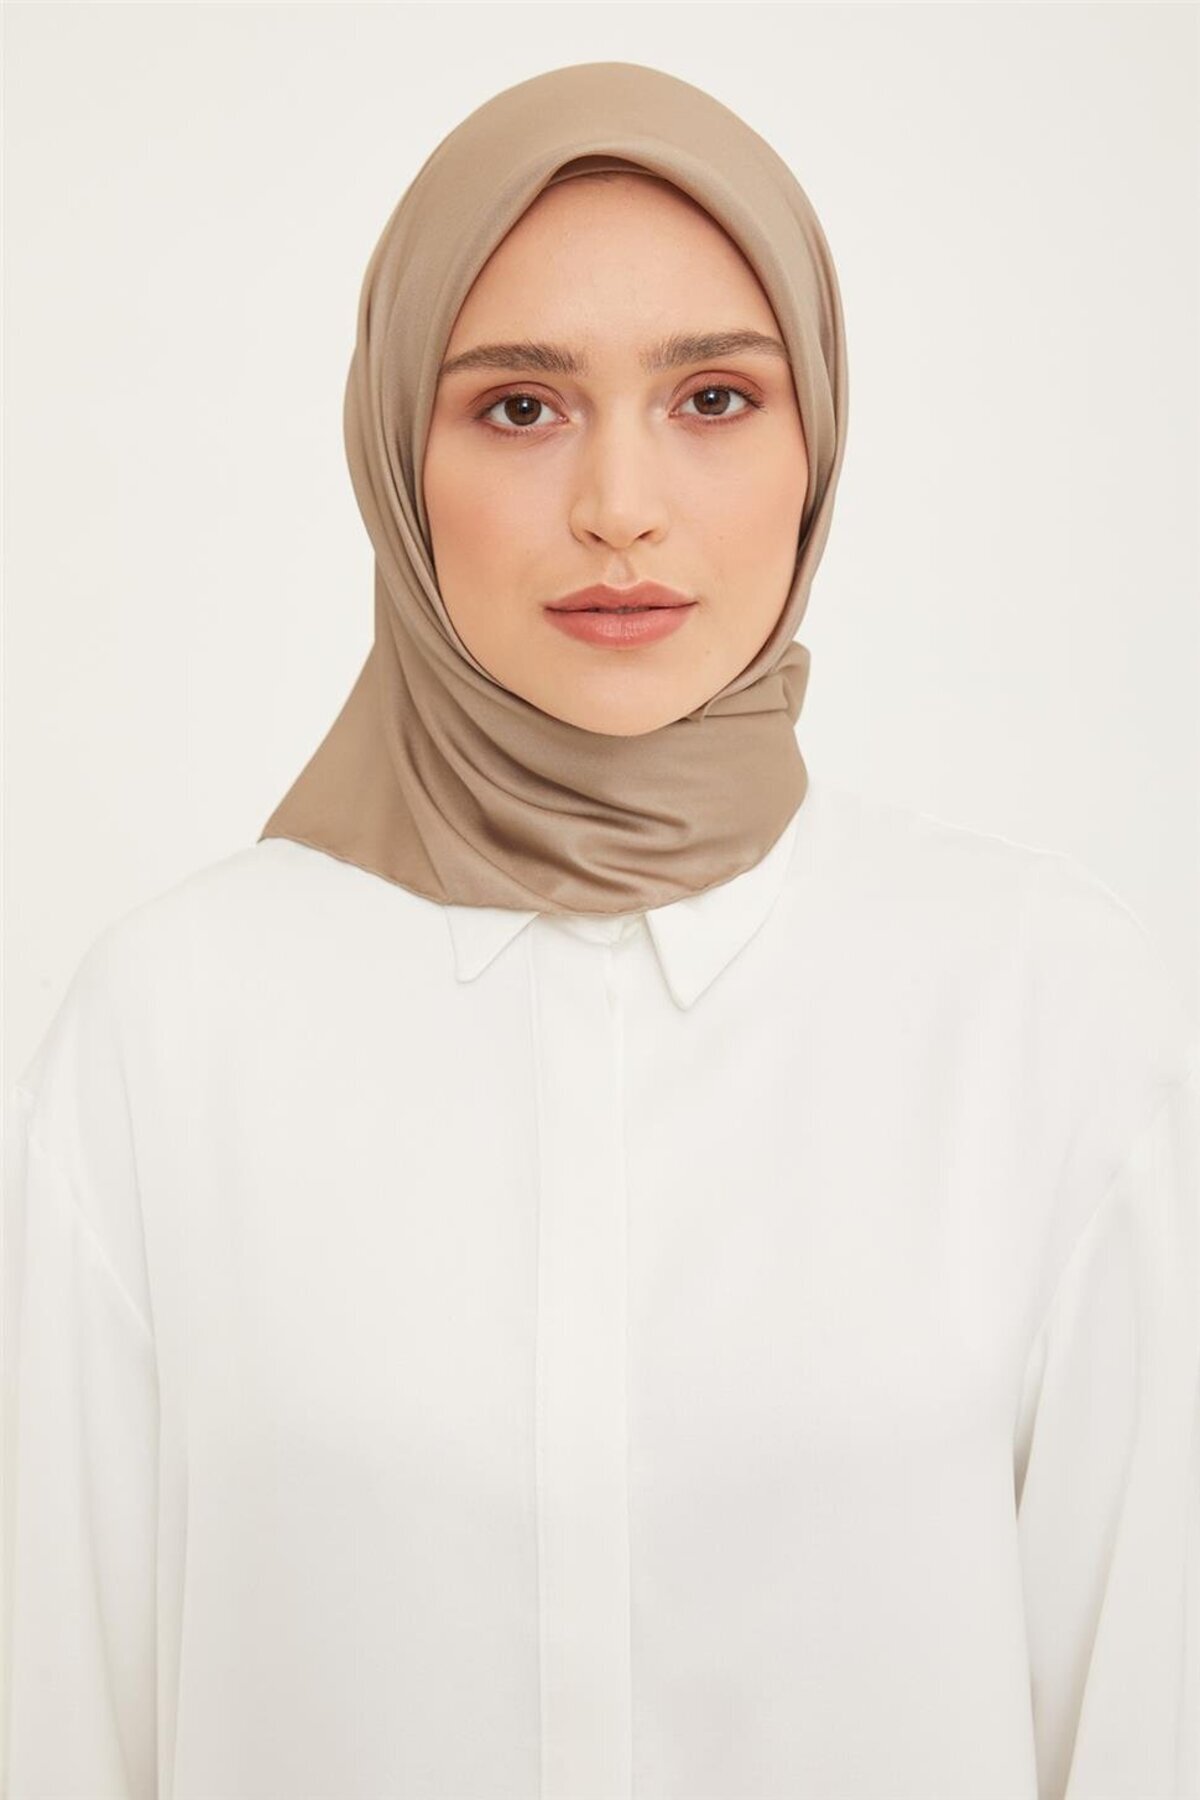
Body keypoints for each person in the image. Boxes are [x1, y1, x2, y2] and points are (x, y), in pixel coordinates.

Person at [3, 59, 1197, 1800]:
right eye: (519, 406)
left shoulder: (1046, 1012)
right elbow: (55, 1727)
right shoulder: (168, 1032)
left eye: (714, 397)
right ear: (396, 454)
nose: (620, 504)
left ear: (815, 442)